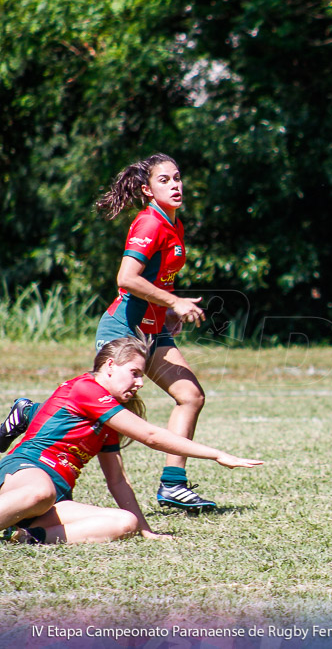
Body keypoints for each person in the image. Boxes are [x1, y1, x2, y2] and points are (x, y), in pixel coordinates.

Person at [2, 154, 217, 511]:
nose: (175, 185)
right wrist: (175, 302)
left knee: (191, 396)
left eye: (178, 177)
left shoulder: (173, 223)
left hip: (153, 329)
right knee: (106, 412)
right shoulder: (149, 223)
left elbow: (156, 279)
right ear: (147, 190)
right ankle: (32, 415)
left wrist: (168, 313)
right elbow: (127, 279)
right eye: (164, 180)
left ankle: (173, 485)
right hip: (124, 330)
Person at [0, 337, 261, 545]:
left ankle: (26, 537)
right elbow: (151, 437)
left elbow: (117, 480)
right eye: (134, 373)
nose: (140, 383)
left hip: (54, 498)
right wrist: (215, 454)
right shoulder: (86, 388)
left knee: (125, 523)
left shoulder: (109, 420)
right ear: (110, 366)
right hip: (25, 472)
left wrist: (145, 529)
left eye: (141, 376)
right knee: (40, 492)